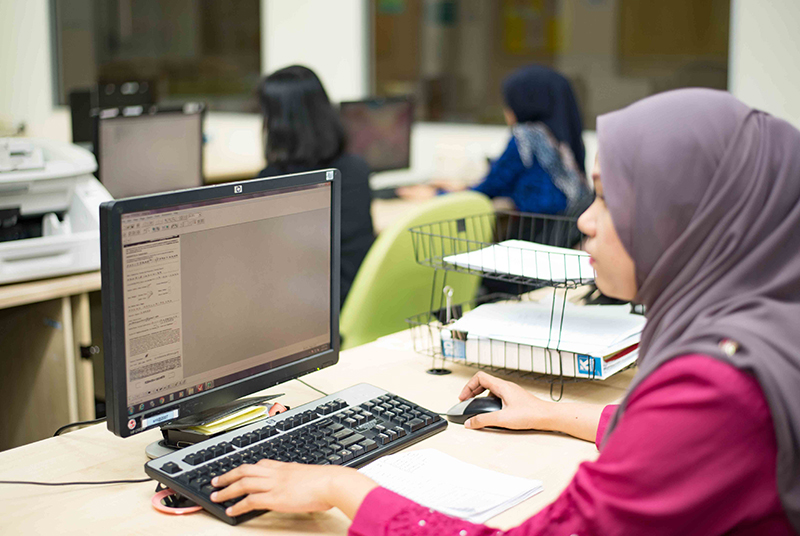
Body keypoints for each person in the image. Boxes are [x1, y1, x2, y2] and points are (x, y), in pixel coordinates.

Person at [209, 89, 800, 535]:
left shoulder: (717, 383)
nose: (587, 222)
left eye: (610, 198)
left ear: (690, 217)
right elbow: (676, 442)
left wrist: (341, 485)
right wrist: (556, 415)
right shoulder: (763, 328)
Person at [400, 65, 590, 217]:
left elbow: (486, 191)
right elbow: (526, 184)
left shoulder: (527, 137)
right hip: (566, 233)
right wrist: (461, 186)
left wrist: (434, 194)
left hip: (540, 236)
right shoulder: (562, 138)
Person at [256, 65, 374, 308]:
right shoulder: (355, 168)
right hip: (357, 300)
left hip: (316, 310)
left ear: (277, 122)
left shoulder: (273, 183)